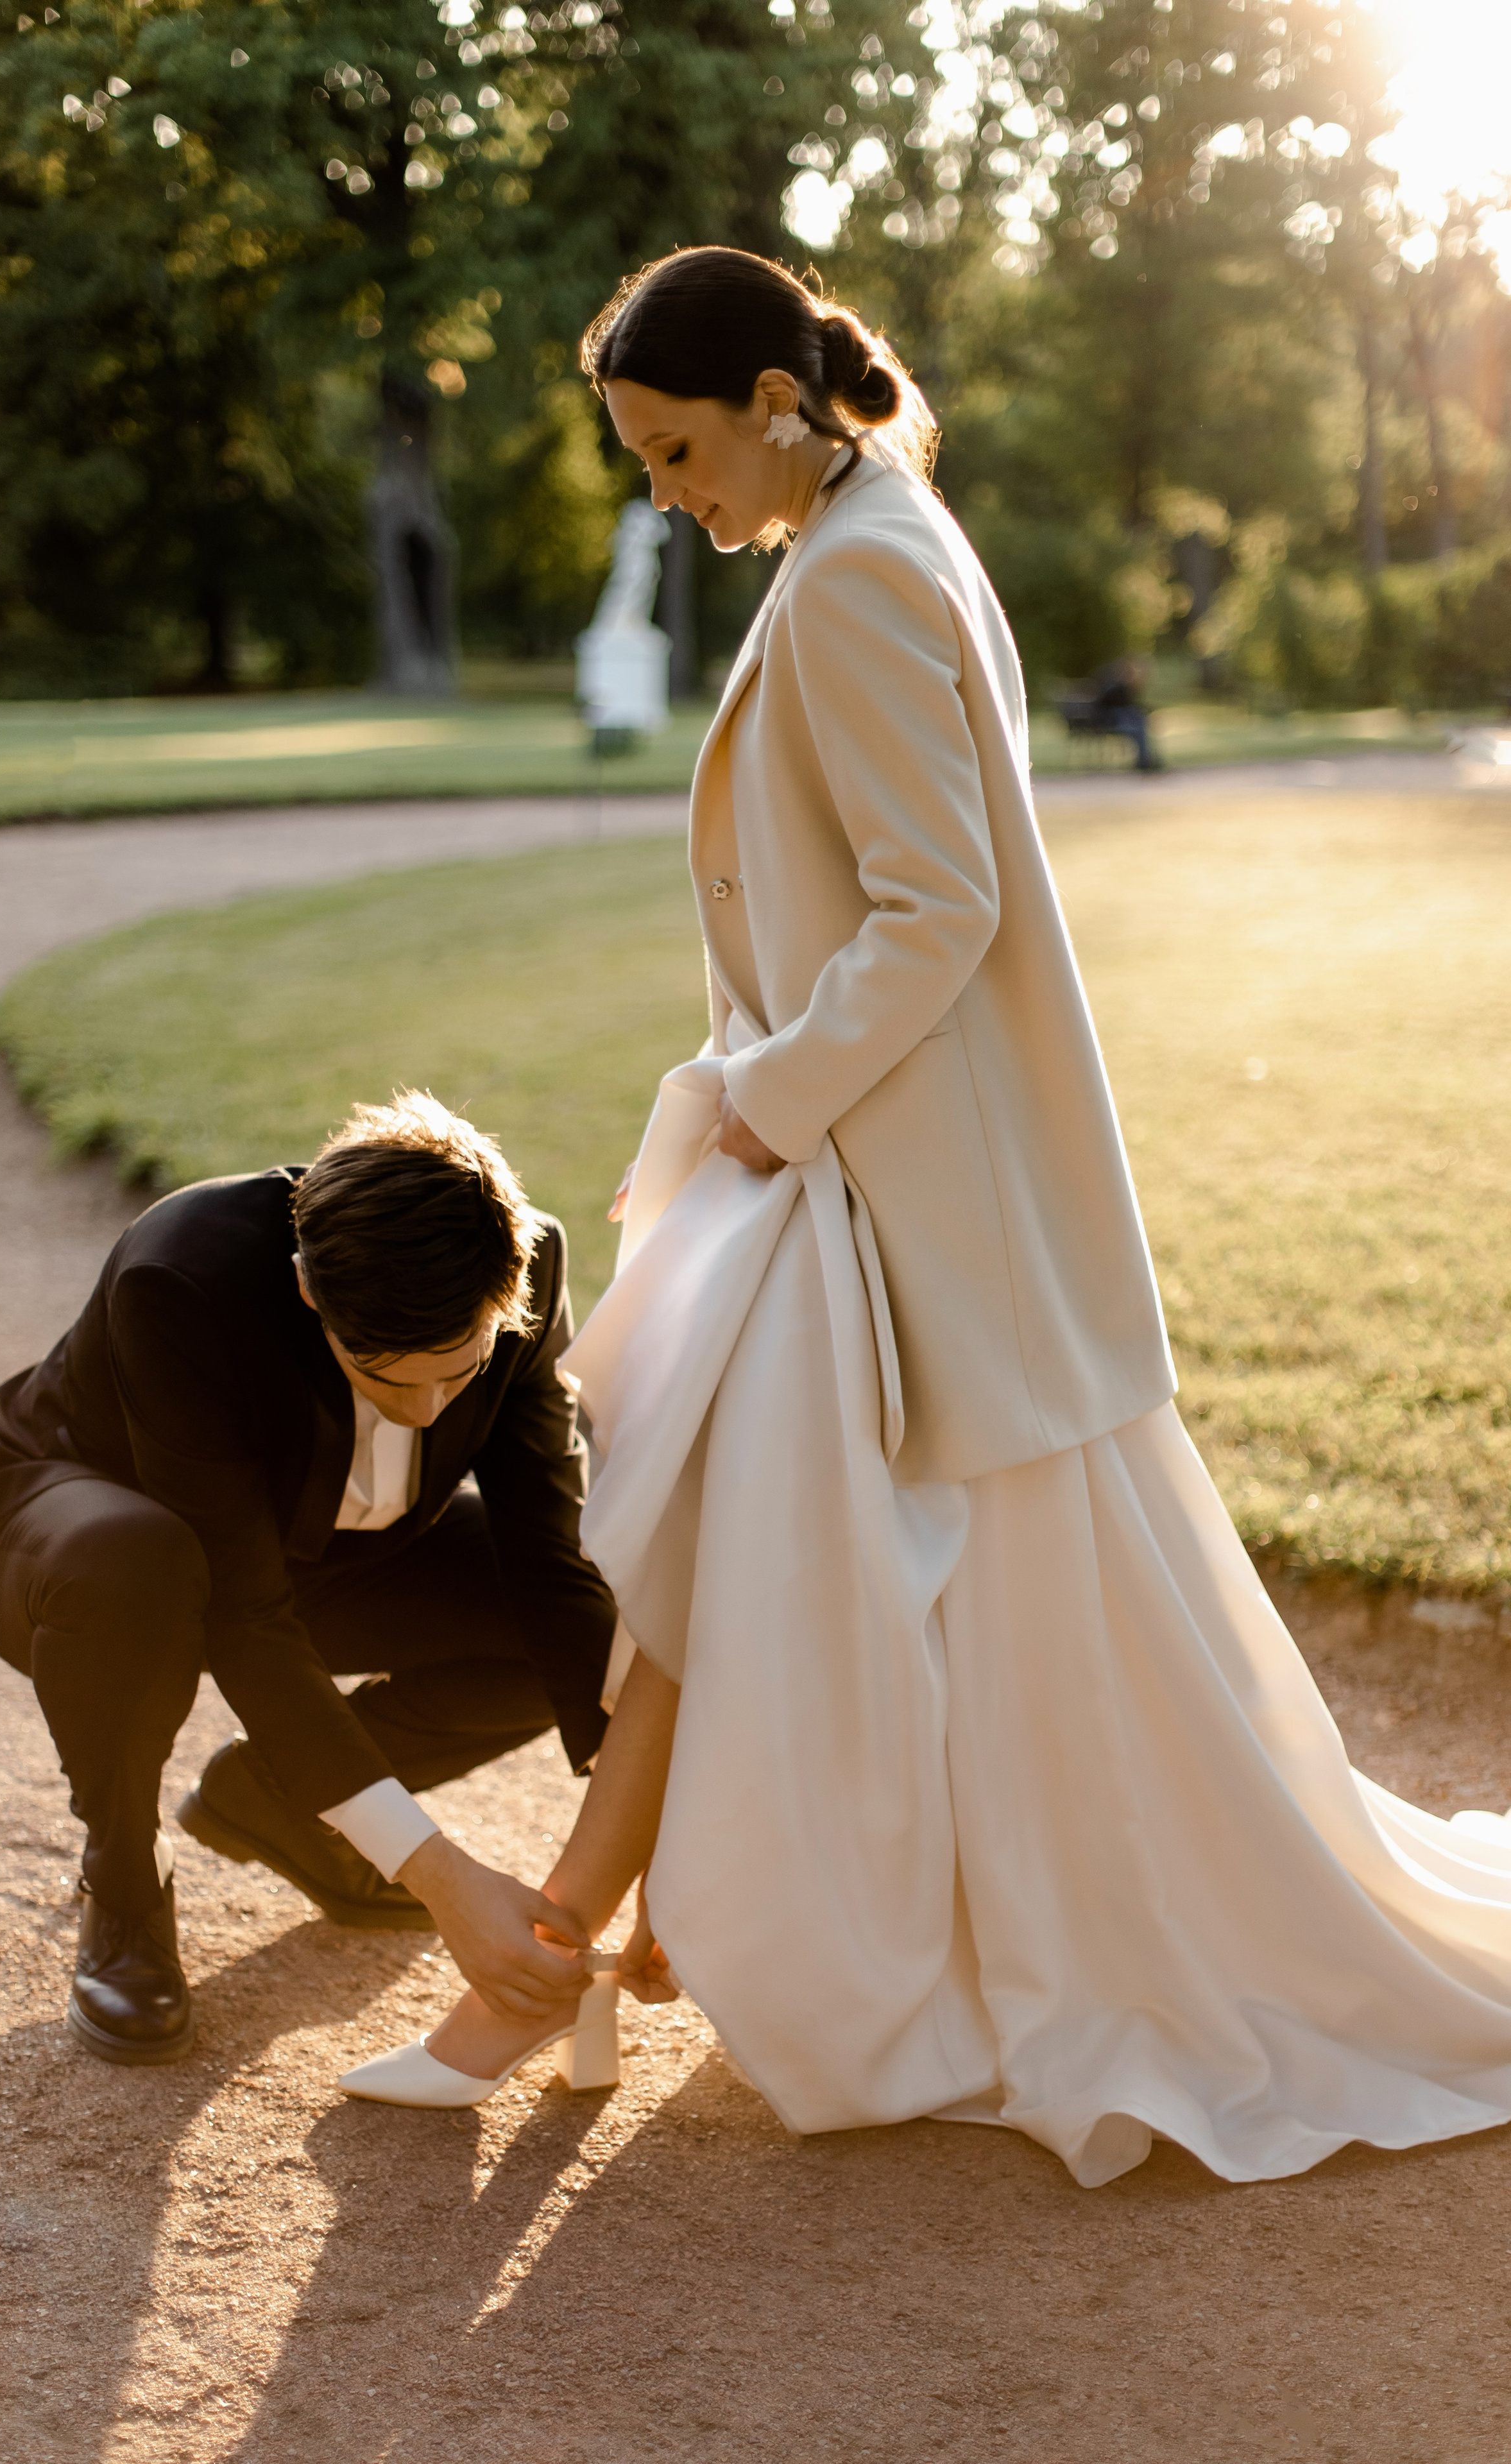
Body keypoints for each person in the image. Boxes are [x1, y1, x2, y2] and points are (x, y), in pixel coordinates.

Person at [340, 248, 1511, 2191]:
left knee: (705, 1529)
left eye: (676, 450)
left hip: (884, 1175)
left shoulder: (868, 566)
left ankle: (557, 1964)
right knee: (714, 1539)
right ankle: (583, 1950)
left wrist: (773, 1107)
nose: (666, 495)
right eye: (642, 462)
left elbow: (937, 904)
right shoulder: (873, 529)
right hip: (863, 1166)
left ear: (781, 404)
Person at [0, 1091, 613, 2065]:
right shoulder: (180, 1273)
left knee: (595, 1608)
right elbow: (245, 1615)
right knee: (139, 1559)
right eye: (387, 1376)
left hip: (319, 1546)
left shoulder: (524, 1262)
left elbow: (549, 1555)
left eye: (458, 1371)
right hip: (84, 1542)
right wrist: (439, 1872)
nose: (426, 1411)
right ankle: (125, 1883)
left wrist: (651, 1834)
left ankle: (280, 1805)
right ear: (309, 1289)